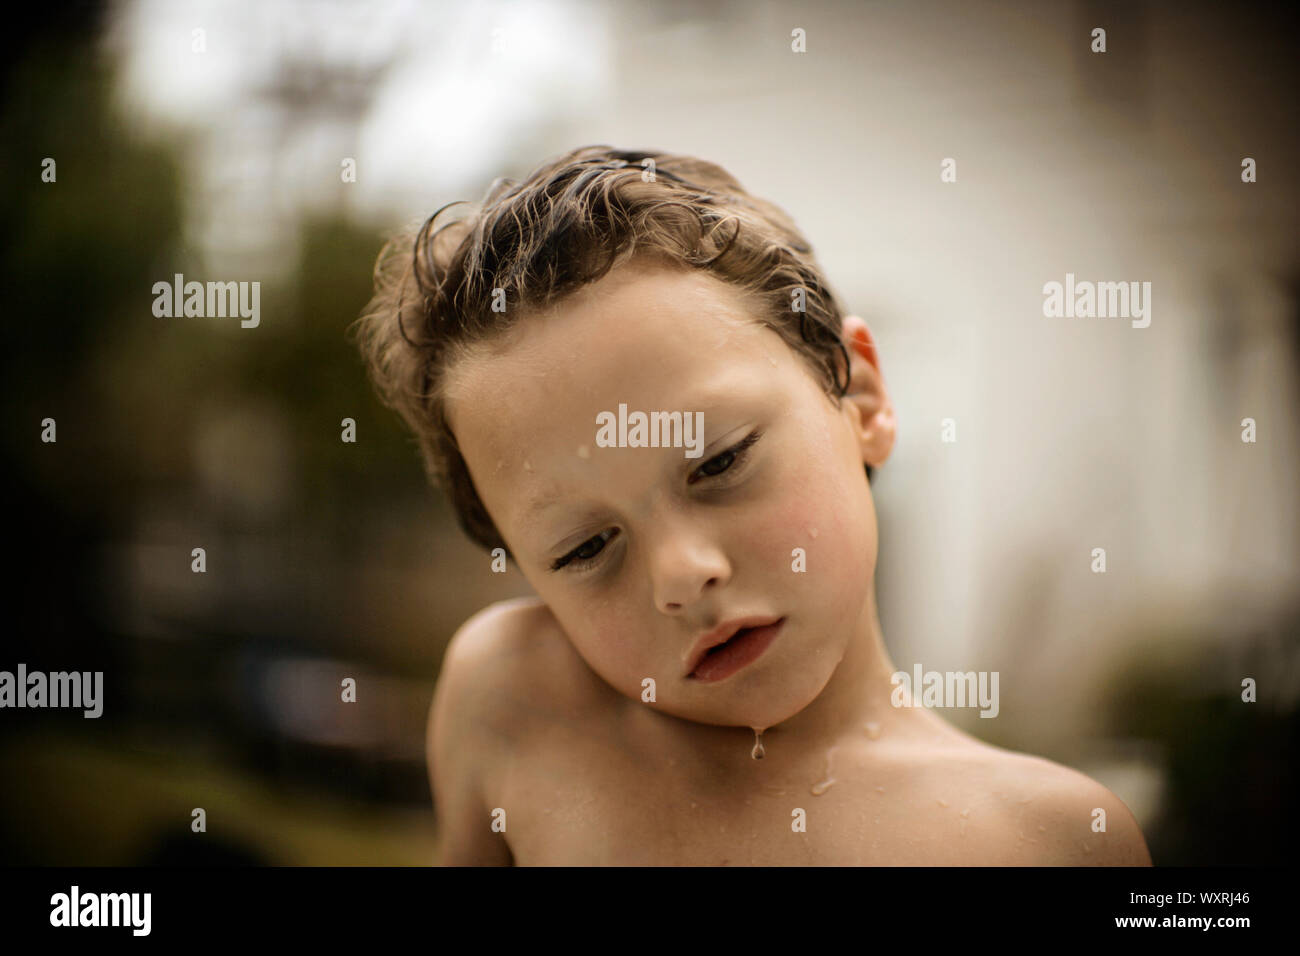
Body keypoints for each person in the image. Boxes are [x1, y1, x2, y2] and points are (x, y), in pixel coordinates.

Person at [352, 145, 1152, 865]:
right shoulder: (515, 704)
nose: (683, 573)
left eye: (721, 461)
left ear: (863, 398)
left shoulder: (1042, 840)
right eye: (585, 548)